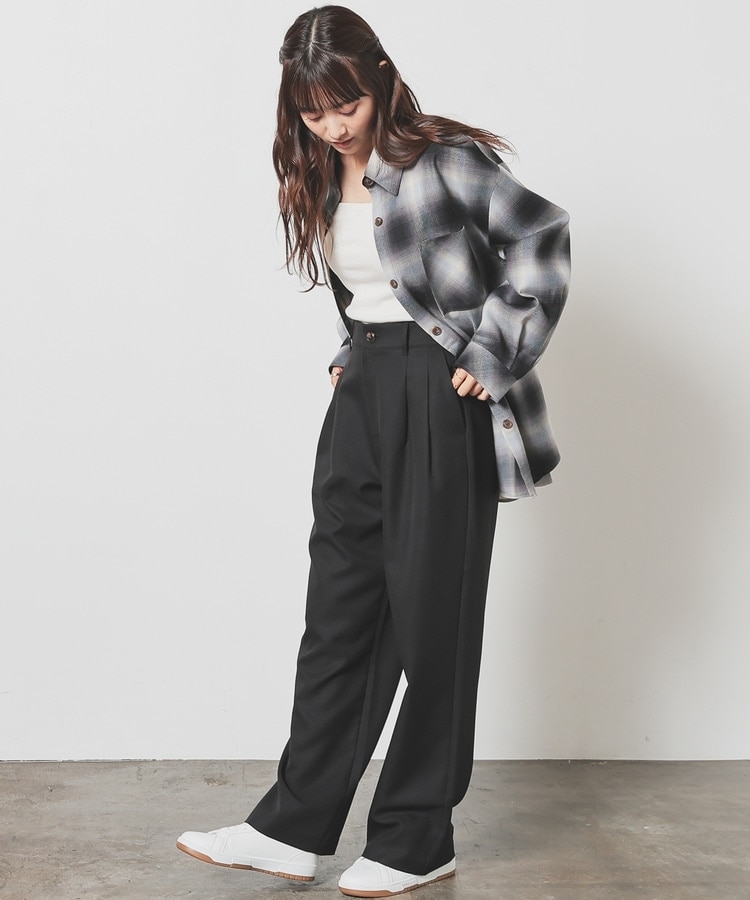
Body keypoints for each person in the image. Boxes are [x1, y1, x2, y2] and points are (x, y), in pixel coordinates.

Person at [176, 4, 571, 896]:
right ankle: (292, 827)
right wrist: (349, 351)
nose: (333, 126)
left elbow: (541, 238)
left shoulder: (447, 161)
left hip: (441, 398)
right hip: (362, 399)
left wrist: (492, 353)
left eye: (344, 105)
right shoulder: (320, 172)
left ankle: (417, 837)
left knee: (432, 622)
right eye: (313, 112)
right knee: (340, 611)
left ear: (382, 76)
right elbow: (377, 289)